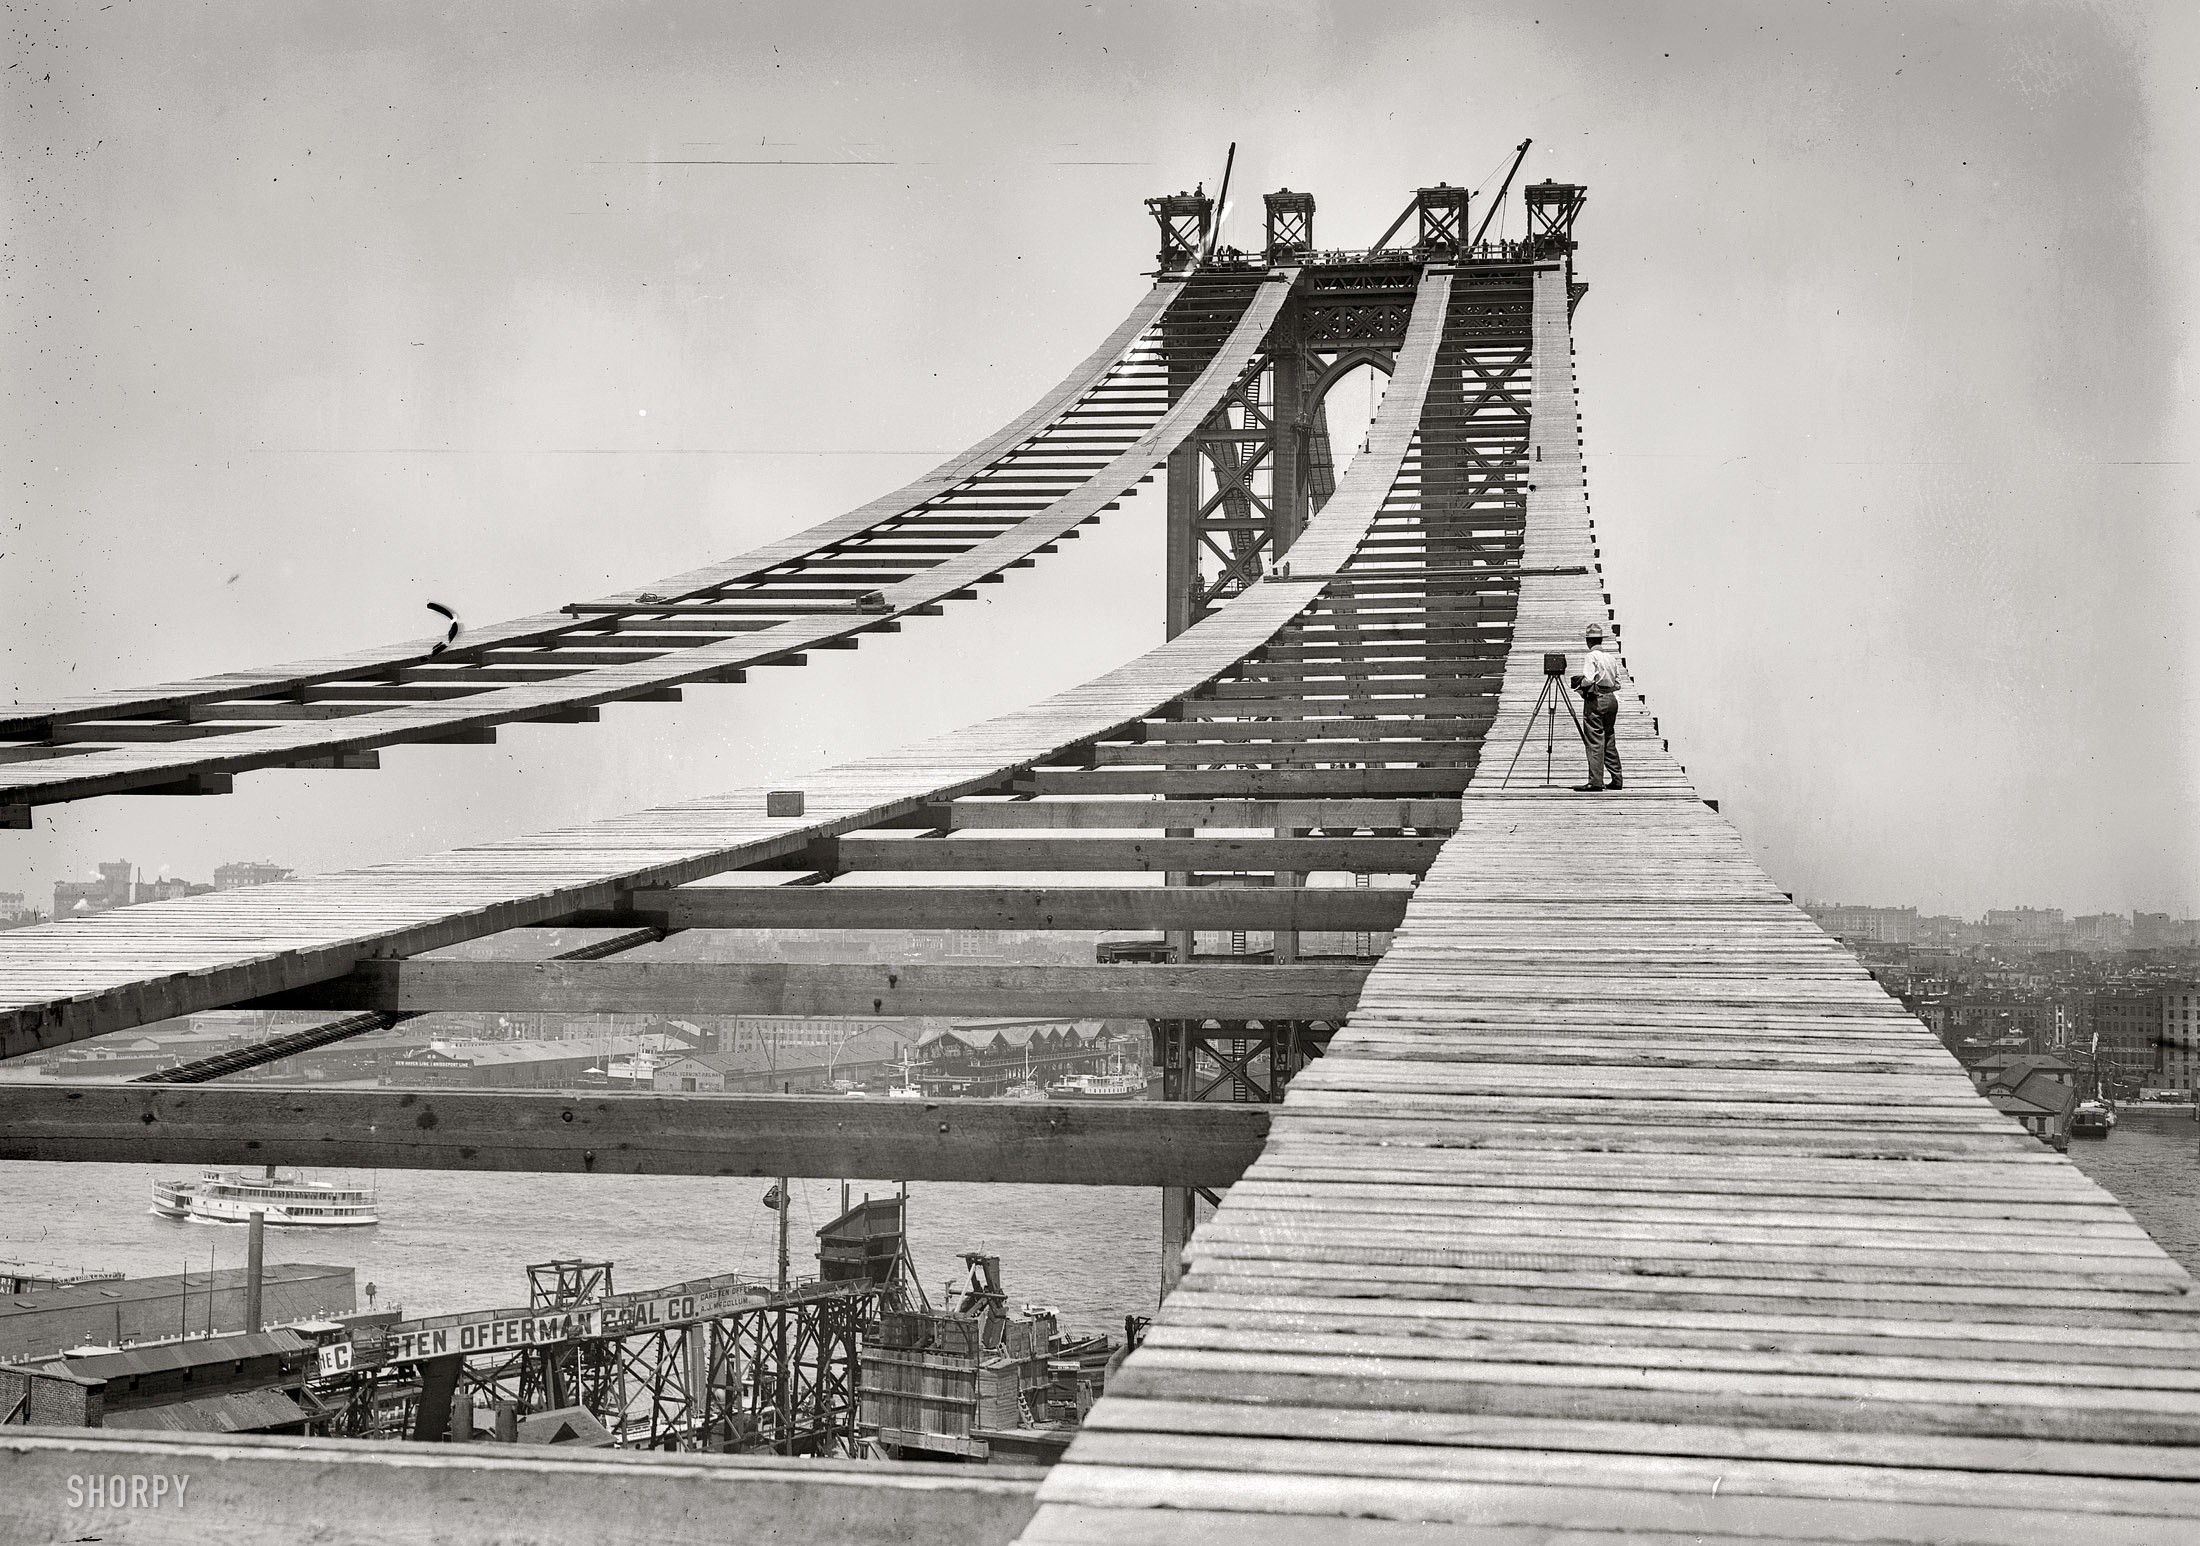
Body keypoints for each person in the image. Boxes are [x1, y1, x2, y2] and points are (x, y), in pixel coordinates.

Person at [1569, 624, 1624, 792]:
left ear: (1588, 641)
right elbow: (1618, 684)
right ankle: (1617, 778)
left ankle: (1595, 782)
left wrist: (1579, 686)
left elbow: (1588, 679)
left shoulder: (1591, 656)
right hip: (1611, 700)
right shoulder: (1611, 658)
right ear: (1601, 640)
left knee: (1594, 741)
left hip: (1597, 700)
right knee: (1609, 738)